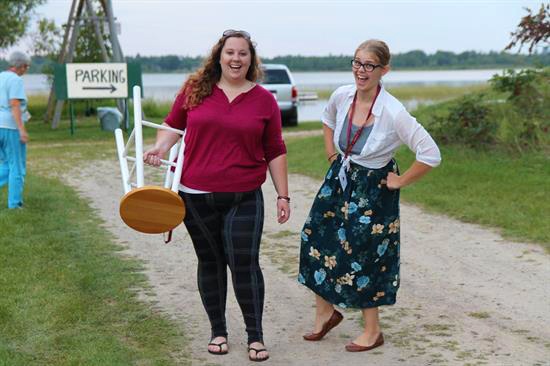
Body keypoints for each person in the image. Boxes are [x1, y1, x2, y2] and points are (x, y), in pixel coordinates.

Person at [143, 30, 290, 362]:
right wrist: (160, 147)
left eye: (243, 53)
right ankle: (218, 331)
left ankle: (255, 336)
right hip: (194, 195)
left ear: (251, 59)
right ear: (219, 57)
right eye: (230, 53)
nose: (236, 59)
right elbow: (172, 126)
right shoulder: (195, 90)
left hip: (245, 195)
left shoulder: (264, 100)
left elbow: (275, 149)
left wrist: (284, 195)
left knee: (245, 263)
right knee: (210, 262)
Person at [298, 39, 441, 352]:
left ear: (384, 70)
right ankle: (325, 313)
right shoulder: (342, 94)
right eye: (357, 62)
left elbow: (430, 153)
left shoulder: (394, 112)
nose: (361, 71)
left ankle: (372, 331)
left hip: (373, 190)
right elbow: (327, 118)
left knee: (364, 255)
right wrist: (330, 156)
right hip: (340, 178)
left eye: (369, 65)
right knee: (315, 238)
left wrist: (400, 181)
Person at [0, 51, 31, 209]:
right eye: (26, 66)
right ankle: (15, 204)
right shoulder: (15, 80)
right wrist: (21, 129)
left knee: (5, 164)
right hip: (10, 127)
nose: (26, 70)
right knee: (17, 166)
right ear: (20, 66)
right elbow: (14, 104)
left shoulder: (1, 77)